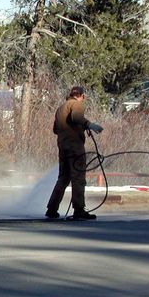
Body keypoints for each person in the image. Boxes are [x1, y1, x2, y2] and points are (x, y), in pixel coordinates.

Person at [46, 86, 103, 220]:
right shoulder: (76, 104)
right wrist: (89, 124)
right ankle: (79, 210)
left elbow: (55, 129)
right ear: (81, 96)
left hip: (63, 147)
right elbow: (76, 117)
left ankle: (52, 209)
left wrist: (78, 128)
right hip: (75, 147)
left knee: (63, 178)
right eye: (83, 97)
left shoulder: (61, 108)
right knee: (78, 178)